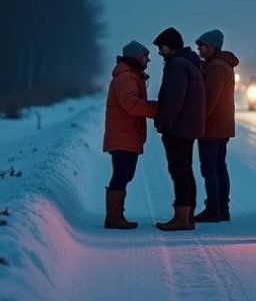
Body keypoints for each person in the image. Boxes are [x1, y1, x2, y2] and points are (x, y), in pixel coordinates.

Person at [152, 27, 206, 231]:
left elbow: (174, 99)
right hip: (188, 126)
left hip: (178, 127)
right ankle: (188, 216)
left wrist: (163, 121)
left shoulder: (176, 66)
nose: (159, 51)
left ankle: (182, 217)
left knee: (179, 172)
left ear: (171, 46)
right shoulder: (189, 63)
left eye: (161, 47)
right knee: (185, 171)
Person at [102, 41, 159, 229]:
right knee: (122, 174)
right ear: (136, 57)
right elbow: (132, 105)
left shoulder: (129, 75)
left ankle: (115, 215)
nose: (148, 60)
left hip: (125, 135)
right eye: (145, 56)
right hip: (123, 136)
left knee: (124, 174)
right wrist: (158, 109)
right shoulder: (126, 78)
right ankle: (114, 217)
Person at [193, 29, 239, 222]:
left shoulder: (215, 67)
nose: (199, 49)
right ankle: (221, 208)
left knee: (210, 168)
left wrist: (198, 121)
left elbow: (209, 99)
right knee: (219, 166)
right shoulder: (222, 65)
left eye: (202, 46)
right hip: (222, 125)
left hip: (212, 126)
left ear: (212, 47)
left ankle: (214, 209)